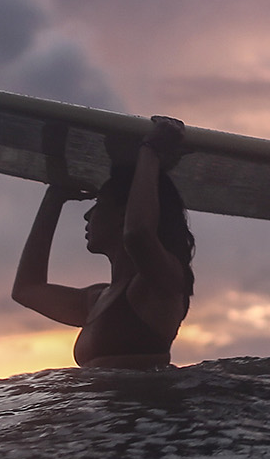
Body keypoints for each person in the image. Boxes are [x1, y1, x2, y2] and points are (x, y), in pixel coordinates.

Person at [12, 116, 195, 368]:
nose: (88, 215)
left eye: (98, 205)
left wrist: (150, 152)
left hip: (144, 407)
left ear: (123, 214)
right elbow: (26, 289)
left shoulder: (161, 282)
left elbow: (138, 234)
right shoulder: (96, 299)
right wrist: (54, 197)